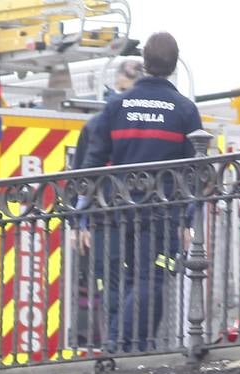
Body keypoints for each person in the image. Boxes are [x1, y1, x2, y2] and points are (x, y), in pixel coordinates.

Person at [78, 32, 203, 352]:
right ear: (174, 65)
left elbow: (92, 165)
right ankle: (121, 343)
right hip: (161, 213)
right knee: (152, 281)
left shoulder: (117, 106)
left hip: (118, 212)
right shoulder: (184, 110)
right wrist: (189, 219)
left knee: (127, 283)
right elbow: (195, 172)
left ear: (145, 64)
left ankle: (130, 347)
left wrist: (84, 218)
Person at [69, 58, 143, 348]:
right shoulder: (97, 124)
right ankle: (120, 343)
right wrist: (79, 221)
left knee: (129, 285)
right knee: (117, 286)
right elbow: (82, 175)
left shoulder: (100, 122)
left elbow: (83, 175)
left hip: (122, 217)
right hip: (110, 217)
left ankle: (122, 342)